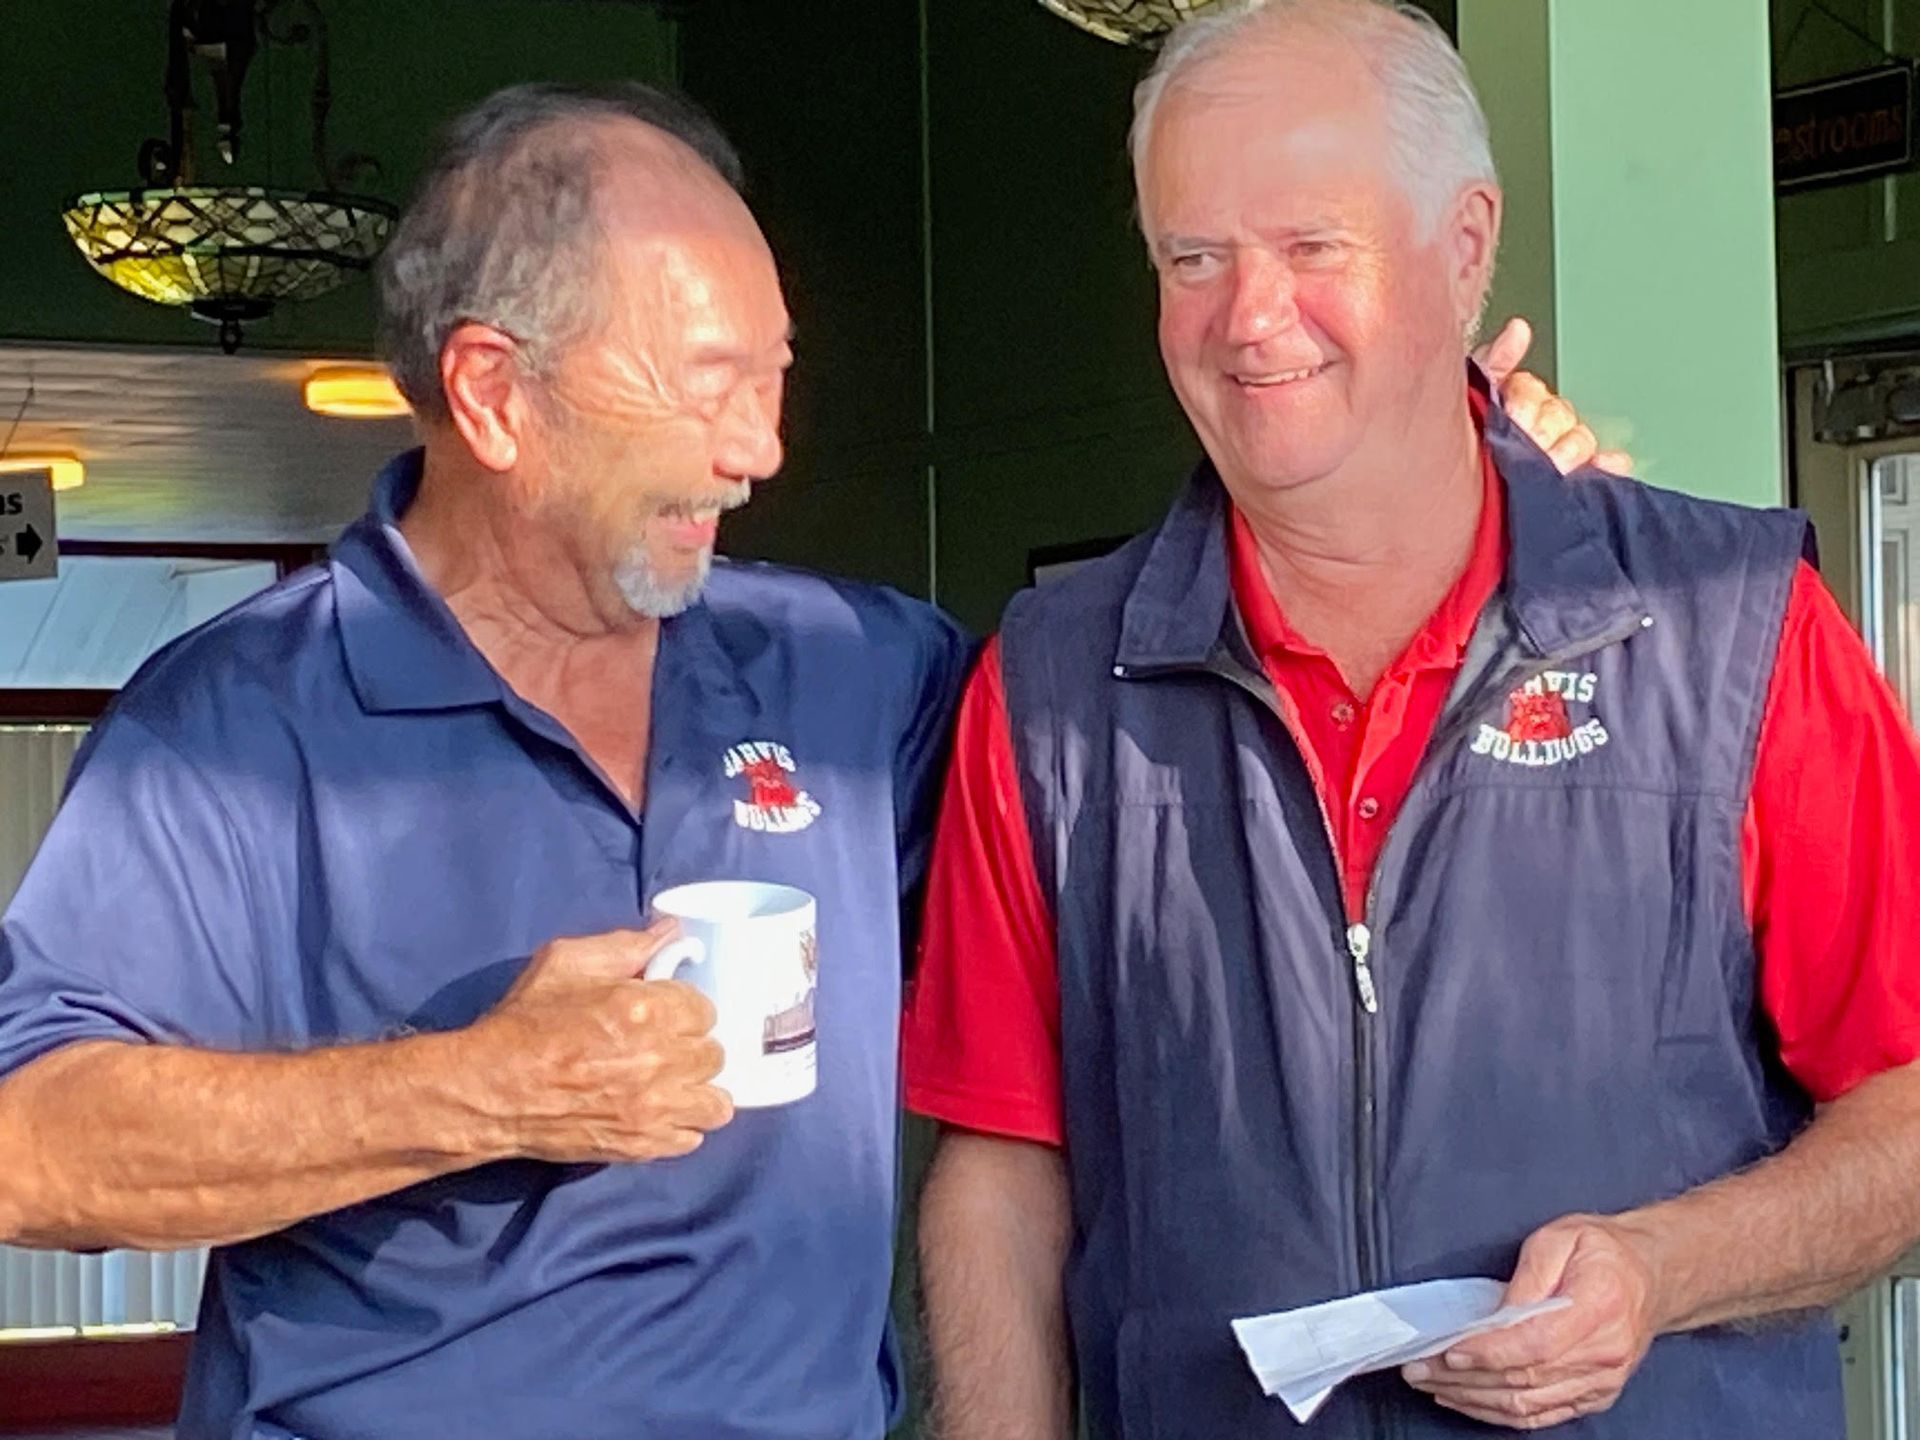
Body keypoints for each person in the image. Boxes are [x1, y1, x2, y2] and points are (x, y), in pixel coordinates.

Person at [903, 3, 1920, 1437]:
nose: (1249, 317)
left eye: (1313, 246)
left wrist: (1664, 1270)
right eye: (1194, 258)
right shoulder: (1052, 688)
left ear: (1464, 245)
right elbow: (1006, 1165)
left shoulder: (1729, 631)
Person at [0, 83, 970, 1440]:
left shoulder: (857, 668)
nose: (760, 446)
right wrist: (483, 1086)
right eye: (709, 383)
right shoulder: (233, 725)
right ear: (494, 394)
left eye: (774, 373)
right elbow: (31, 1149)